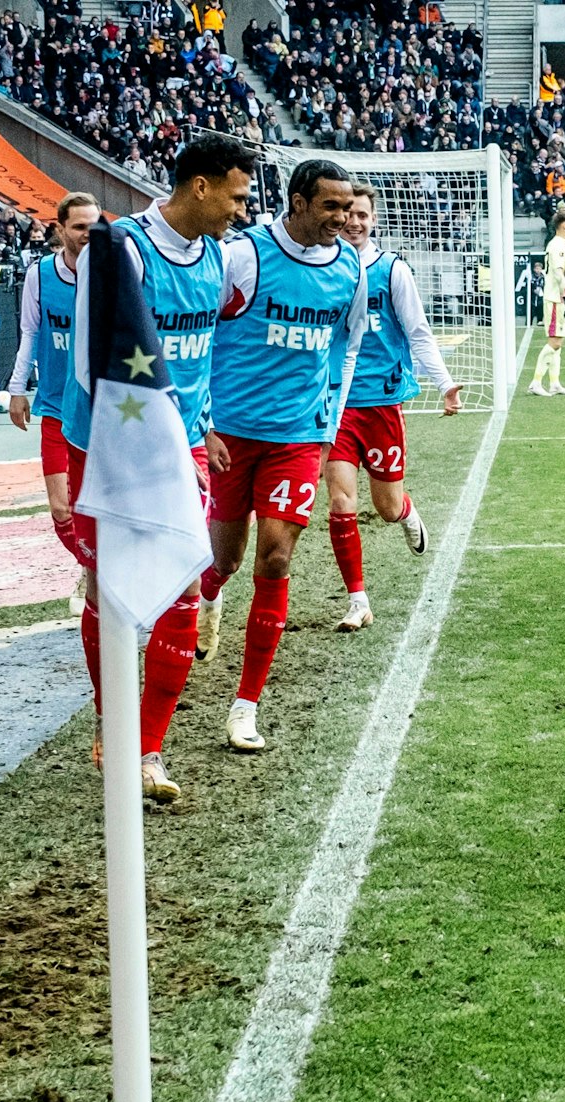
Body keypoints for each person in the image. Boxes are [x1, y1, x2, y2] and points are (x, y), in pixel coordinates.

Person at [70, 135, 252, 801]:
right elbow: (90, 362)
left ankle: (146, 749)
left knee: (182, 584)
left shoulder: (218, 256)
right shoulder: (121, 250)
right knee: (107, 590)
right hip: (108, 443)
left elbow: (201, 353)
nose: (242, 210)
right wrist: (129, 448)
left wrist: (203, 424)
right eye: (236, 195)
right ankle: (110, 716)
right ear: (200, 186)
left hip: (182, 448)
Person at [198, 158, 368, 750]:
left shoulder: (350, 268)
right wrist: (204, 422)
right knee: (225, 559)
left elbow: (346, 347)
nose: (342, 219)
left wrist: (327, 427)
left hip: (297, 437)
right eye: (331, 206)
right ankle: (209, 595)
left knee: (274, 557)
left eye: (348, 208)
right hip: (231, 434)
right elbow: (199, 334)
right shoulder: (243, 255)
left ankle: (245, 706)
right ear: (298, 202)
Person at [326, 183, 462, 633]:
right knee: (341, 501)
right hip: (337, 404)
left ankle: (406, 512)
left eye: (363, 215)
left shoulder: (392, 270)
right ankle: (357, 601)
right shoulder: (324, 269)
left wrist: (444, 383)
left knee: (385, 507)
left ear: (374, 220)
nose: (354, 222)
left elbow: (418, 332)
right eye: (348, 214)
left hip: (382, 404)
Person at [6, 192, 99, 612]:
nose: (88, 234)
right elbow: (29, 331)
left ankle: (102, 575)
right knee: (62, 509)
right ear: (60, 229)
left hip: (102, 412)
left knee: (107, 504)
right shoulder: (41, 275)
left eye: (94, 226)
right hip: (58, 407)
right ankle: (91, 568)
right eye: (79, 227)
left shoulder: (114, 272)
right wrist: (17, 388)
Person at [531, 210, 565, 396]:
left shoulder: (560, 244)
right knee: (555, 342)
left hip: (559, 298)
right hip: (556, 299)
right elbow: (558, 273)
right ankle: (536, 382)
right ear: (564, 225)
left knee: (558, 342)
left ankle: (554, 383)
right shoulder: (558, 245)